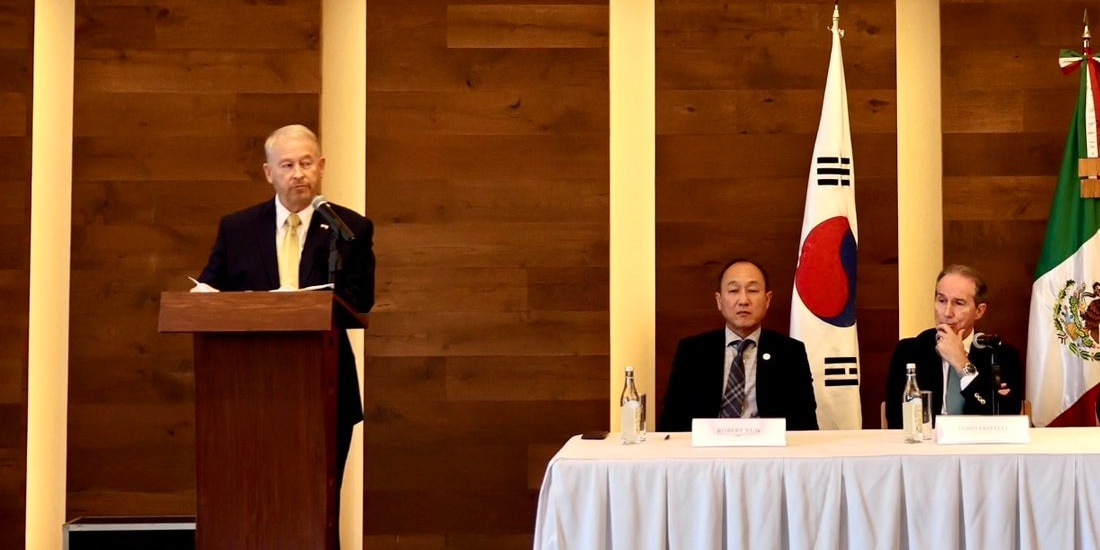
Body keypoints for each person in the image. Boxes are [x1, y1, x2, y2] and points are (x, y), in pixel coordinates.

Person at [197, 124, 375, 539]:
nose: (298, 174)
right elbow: (208, 291)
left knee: (319, 507)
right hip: (246, 392)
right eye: (288, 165)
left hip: (325, 387)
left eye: (307, 163)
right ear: (269, 173)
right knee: (248, 503)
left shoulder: (349, 229)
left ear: (322, 168)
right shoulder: (237, 229)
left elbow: (359, 301)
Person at [657, 258, 819, 432]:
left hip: (768, 453)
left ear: (767, 300)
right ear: (719, 300)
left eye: (753, 290)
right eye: (734, 290)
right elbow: (672, 422)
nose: (743, 300)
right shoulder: (692, 352)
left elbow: (805, 424)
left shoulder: (790, 353)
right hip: (706, 454)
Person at [885, 264, 1022, 429]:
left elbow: (1004, 419)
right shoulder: (909, 351)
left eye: (958, 303)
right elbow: (896, 419)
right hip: (926, 448)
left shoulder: (1000, 354)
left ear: (979, 311)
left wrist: (961, 363)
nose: (947, 312)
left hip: (979, 448)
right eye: (941, 300)